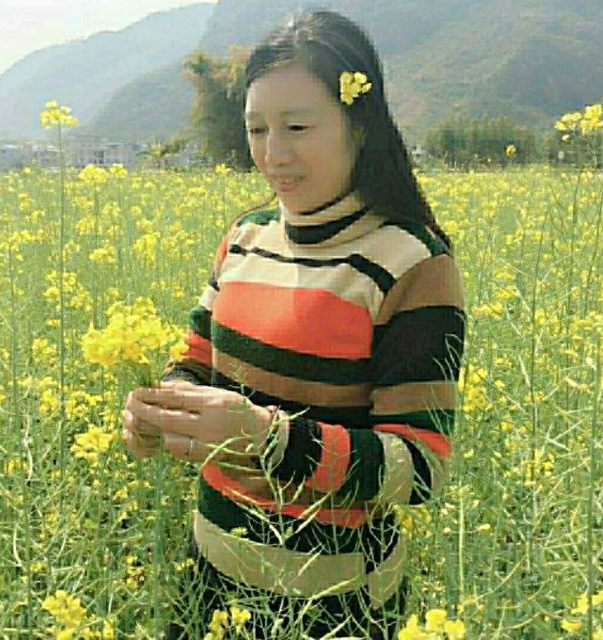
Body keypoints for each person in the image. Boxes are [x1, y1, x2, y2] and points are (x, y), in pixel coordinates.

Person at [122, 9, 466, 640]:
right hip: (210, 577)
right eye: (257, 129)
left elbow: (420, 466)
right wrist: (161, 406)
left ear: (359, 124)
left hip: (333, 605)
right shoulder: (245, 238)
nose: (273, 154)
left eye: (298, 127)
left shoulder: (413, 263)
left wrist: (266, 438)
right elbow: (196, 360)